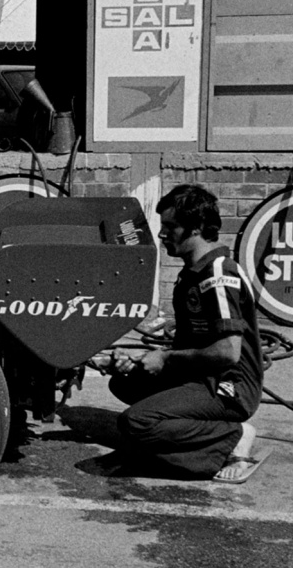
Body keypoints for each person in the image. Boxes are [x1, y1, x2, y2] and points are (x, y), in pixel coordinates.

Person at [108, 184, 266, 482]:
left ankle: (232, 437)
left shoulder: (219, 274)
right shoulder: (192, 273)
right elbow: (188, 344)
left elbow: (228, 353)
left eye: (171, 227)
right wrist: (142, 359)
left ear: (196, 228)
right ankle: (185, 435)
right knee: (125, 383)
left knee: (137, 422)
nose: (162, 234)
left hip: (230, 386)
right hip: (203, 375)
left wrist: (166, 359)